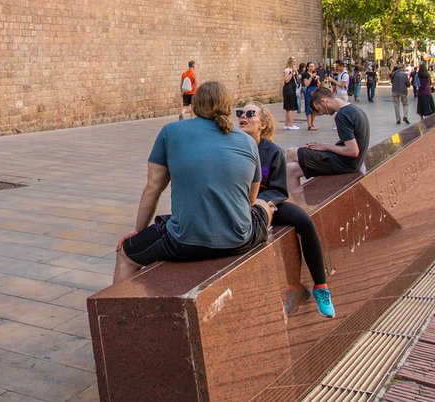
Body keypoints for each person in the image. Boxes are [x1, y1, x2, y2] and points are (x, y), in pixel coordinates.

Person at [114, 82, 273, 283]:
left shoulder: (170, 132)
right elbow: (250, 200)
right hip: (239, 240)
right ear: (228, 106)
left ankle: (116, 314)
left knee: (126, 256)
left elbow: (153, 187)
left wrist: (138, 231)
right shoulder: (248, 141)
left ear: (195, 105)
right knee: (263, 205)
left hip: (183, 240)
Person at [236, 103, 335, 318]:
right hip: (238, 207)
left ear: (262, 124)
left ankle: (321, 287)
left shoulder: (272, 152)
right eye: (240, 113)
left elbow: (278, 189)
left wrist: (261, 204)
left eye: (250, 113)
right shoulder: (232, 148)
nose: (243, 116)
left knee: (304, 222)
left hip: (268, 205)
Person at [285, 87, 370, 207]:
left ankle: (291, 207)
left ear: (324, 101)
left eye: (319, 109)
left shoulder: (342, 116)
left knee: (290, 153)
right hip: (352, 162)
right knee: (291, 169)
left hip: (346, 163)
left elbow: (353, 151)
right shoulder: (355, 109)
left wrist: (325, 146)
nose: (322, 113)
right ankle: (302, 209)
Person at [281, 56, 301, 130]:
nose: (295, 62)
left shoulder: (293, 69)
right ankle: (291, 125)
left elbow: (298, 78)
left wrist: (295, 72)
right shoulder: (287, 70)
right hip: (288, 90)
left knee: (288, 108)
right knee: (290, 108)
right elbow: (286, 80)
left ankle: (287, 124)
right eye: (293, 60)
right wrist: (291, 73)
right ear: (290, 62)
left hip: (293, 88)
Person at [302, 62, 320, 130]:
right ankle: (309, 125)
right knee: (308, 108)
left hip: (315, 91)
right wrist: (311, 77)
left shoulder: (315, 74)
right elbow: (306, 84)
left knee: (315, 108)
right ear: (307, 67)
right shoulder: (306, 75)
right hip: (309, 91)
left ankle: (312, 123)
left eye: (313, 66)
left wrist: (317, 79)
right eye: (311, 66)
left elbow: (318, 84)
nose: (312, 67)